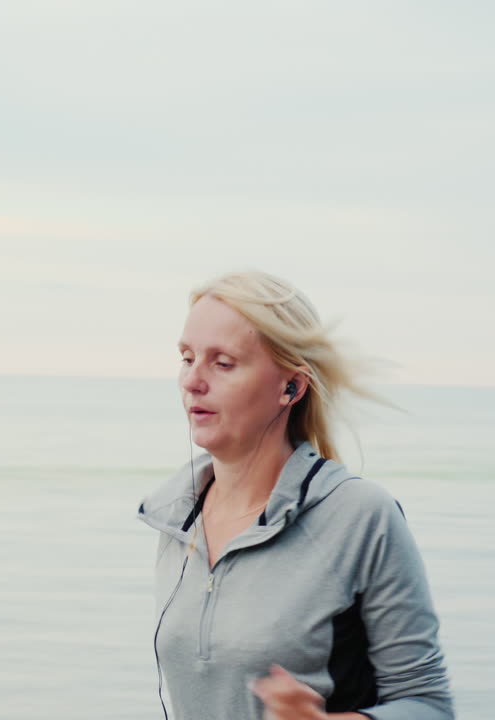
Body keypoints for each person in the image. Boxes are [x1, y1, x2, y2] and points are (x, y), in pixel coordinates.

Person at [136, 270, 454, 720]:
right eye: (187, 358)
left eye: (222, 363)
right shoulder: (176, 518)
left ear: (291, 387)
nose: (192, 381)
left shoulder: (360, 516)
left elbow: (429, 706)